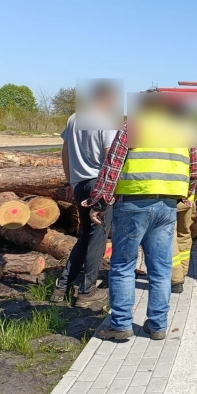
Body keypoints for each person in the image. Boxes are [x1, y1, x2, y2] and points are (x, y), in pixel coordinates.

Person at [85, 106, 197, 341]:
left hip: (133, 205)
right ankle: (158, 326)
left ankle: (121, 325)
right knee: (160, 269)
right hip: (167, 206)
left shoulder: (134, 126)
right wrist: (185, 195)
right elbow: (195, 171)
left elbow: (113, 166)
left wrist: (98, 201)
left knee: (123, 266)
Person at [51, 84, 118, 306]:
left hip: (79, 184)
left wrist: (70, 181)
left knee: (86, 235)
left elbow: (65, 150)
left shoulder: (74, 118)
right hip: (99, 183)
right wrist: (110, 188)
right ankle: (87, 291)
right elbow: (110, 157)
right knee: (98, 237)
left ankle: (62, 287)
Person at [172, 128, 197, 292]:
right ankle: (183, 272)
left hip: (169, 191)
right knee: (184, 232)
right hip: (189, 192)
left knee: (169, 234)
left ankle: (175, 278)